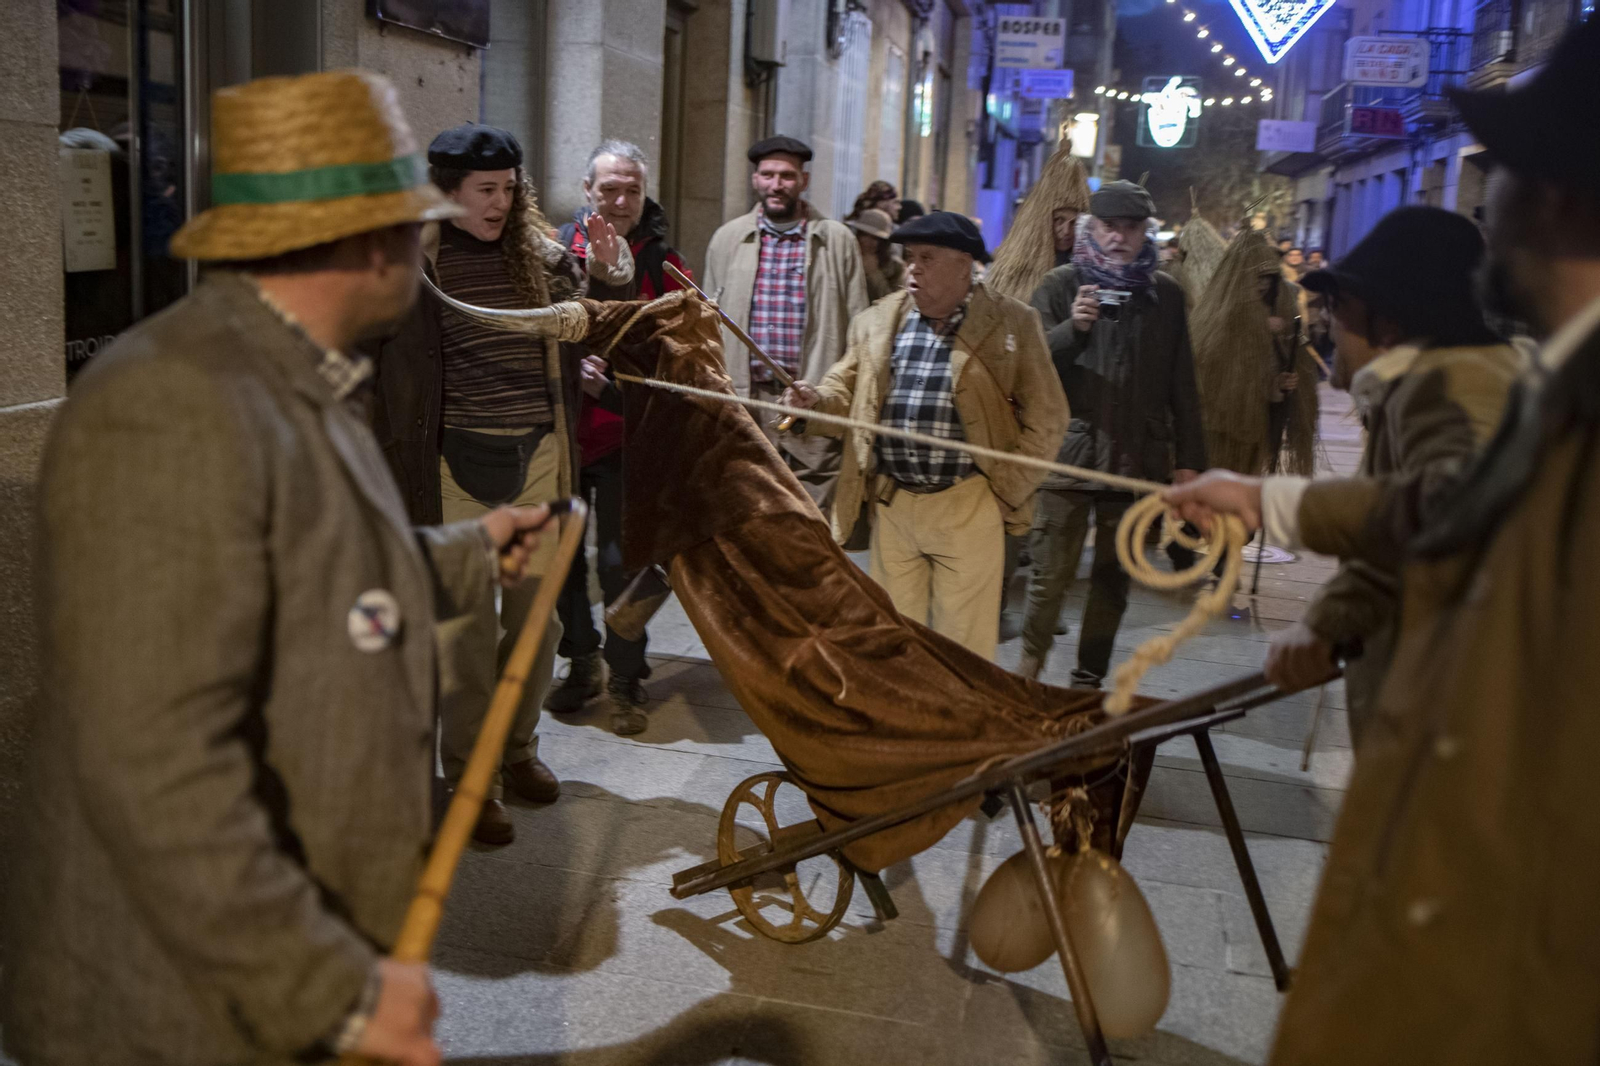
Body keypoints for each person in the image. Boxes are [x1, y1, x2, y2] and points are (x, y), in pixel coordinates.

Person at [0, 71, 556, 1066]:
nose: (418, 246)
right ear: (356, 242)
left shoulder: (300, 372)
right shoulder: (170, 405)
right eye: (407, 225)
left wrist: (472, 552)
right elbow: (155, 761)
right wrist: (326, 987)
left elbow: (312, 577)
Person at [1165, 18, 1600, 1062]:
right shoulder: (1557, 375)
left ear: (1557, 197)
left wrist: (1265, 501)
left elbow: (1442, 510)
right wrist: (1331, 617)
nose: (1484, 206)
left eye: (1500, 172)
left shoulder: (1481, 385)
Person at [370, 123, 632, 845]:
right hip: (454, 468)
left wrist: (610, 275)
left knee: (536, 626)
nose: (499, 203)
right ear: (445, 192)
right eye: (485, 190)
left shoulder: (541, 258)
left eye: (510, 190)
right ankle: (471, 779)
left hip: (540, 458)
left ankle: (518, 751)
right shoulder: (409, 265)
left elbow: (602, 326)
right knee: (467, 636)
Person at [1262, 206, 1518, 745]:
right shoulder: (1415, 387)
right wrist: (1326, 624)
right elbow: (1392, 546)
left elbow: (1455, 511)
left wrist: (1272, 502)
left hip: (1451, 725)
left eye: (1339, 305)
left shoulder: (1454, 389)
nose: (1329, 321)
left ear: (1391, 322)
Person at [781, 212, 1067, 659]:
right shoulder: (878, 320)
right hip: (894, 503)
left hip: (968, 503)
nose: (913, 268)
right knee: (896, 642)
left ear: (964, 265)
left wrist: (1005, 491)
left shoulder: (1012, 322)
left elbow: (1048, 418)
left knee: (964, 648)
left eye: (927, 258)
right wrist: (814, 402)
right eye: (910, 257)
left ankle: (959, 707)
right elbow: (844, 391)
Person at [1019, 181, 1206, 685]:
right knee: (1050, 574)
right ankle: (1029, 669)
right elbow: (1027, 366)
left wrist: (1190, 462)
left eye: (1130, 227)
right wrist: (1072, 330)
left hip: (1135, 459)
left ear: (1146, 231)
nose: (1119, 237)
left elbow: (1183, 383)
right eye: (1109, 226)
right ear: (1092, 228)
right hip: (1068, 456)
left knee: (1113, 577)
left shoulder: (1165, 294)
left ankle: (1088, 678)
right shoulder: (1060, 284)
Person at [546, 140, 691, 734]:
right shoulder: (556, 254)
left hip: (627, 436)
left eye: (633, 189)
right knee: (559, 564)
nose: (623, 201)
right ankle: (582, 662)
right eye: (610, 189)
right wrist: (568, 367)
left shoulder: (664, 263)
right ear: (587, 191)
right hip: (559, 437)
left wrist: (611, 386)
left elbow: (680, 353)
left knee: (622, 564)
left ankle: (627, 674)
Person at [702, 135, 869, 509]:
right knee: (747, 518)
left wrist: (833, 397)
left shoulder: (837, 240)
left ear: (803, 180)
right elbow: (708, 326)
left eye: (787, 176)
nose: (776, 185)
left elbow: (860, 330)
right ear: (755, 179)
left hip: (810, 406)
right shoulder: (727, 239)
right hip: (747, 405)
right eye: (768, 175)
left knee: (811, 523)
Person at [1190, 227, 1319, 479]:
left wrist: (1280, 383)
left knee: (1248, 474)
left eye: (1267, 278)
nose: (1262, 285)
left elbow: (1274, 364)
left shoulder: (1279, 312)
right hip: (1223, 422)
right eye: (1256, 278)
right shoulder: (1219, 317)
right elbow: (1216, 368)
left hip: (1257, 417)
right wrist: (1260, 325)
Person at [848, 208, 906, 301]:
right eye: (864, 235)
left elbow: (894, 303)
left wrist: (874, 273)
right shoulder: (846, 258)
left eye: (874, 238)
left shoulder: (895, 267)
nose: (867, 242)